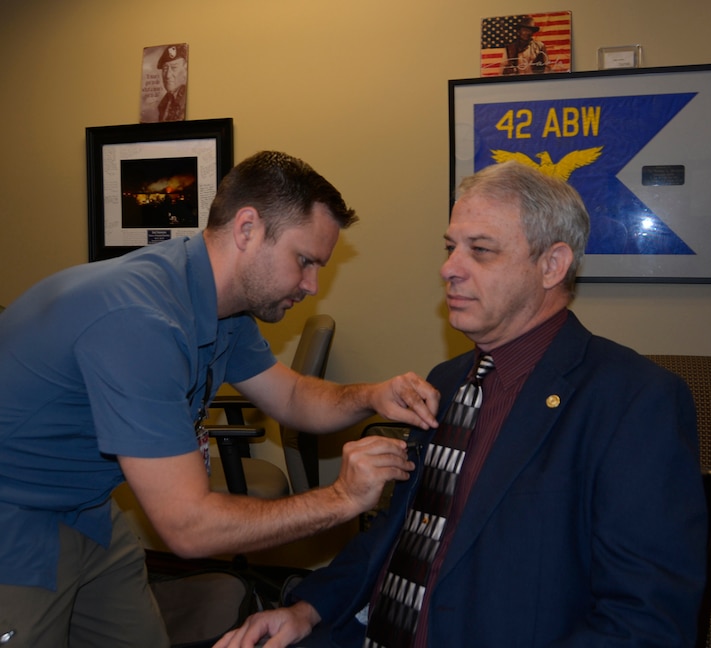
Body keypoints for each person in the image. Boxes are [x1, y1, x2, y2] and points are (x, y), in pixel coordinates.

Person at [215, 161, 708, 648]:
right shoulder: (447, 382)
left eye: (481, 251)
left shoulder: (634, 402)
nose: (448, 269)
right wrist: (308, 609)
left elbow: (646, 622)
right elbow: (402, 531)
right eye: (451, 248)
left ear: (552, 265)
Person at [0, 150, 440, 646]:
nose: (312, 286)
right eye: (304, 261)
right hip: (14, 518)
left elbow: (293, 397)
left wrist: (373, 396)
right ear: (247, 228)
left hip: (87, 506)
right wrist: (340, 500)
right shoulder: (140, 321)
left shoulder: (221, 308)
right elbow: (189, 529)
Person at [157, 43, 188, 121]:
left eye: (174, 68)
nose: (167, 75)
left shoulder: (187, 99)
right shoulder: (165, 103)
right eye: (165, 69)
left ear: (186, 69)